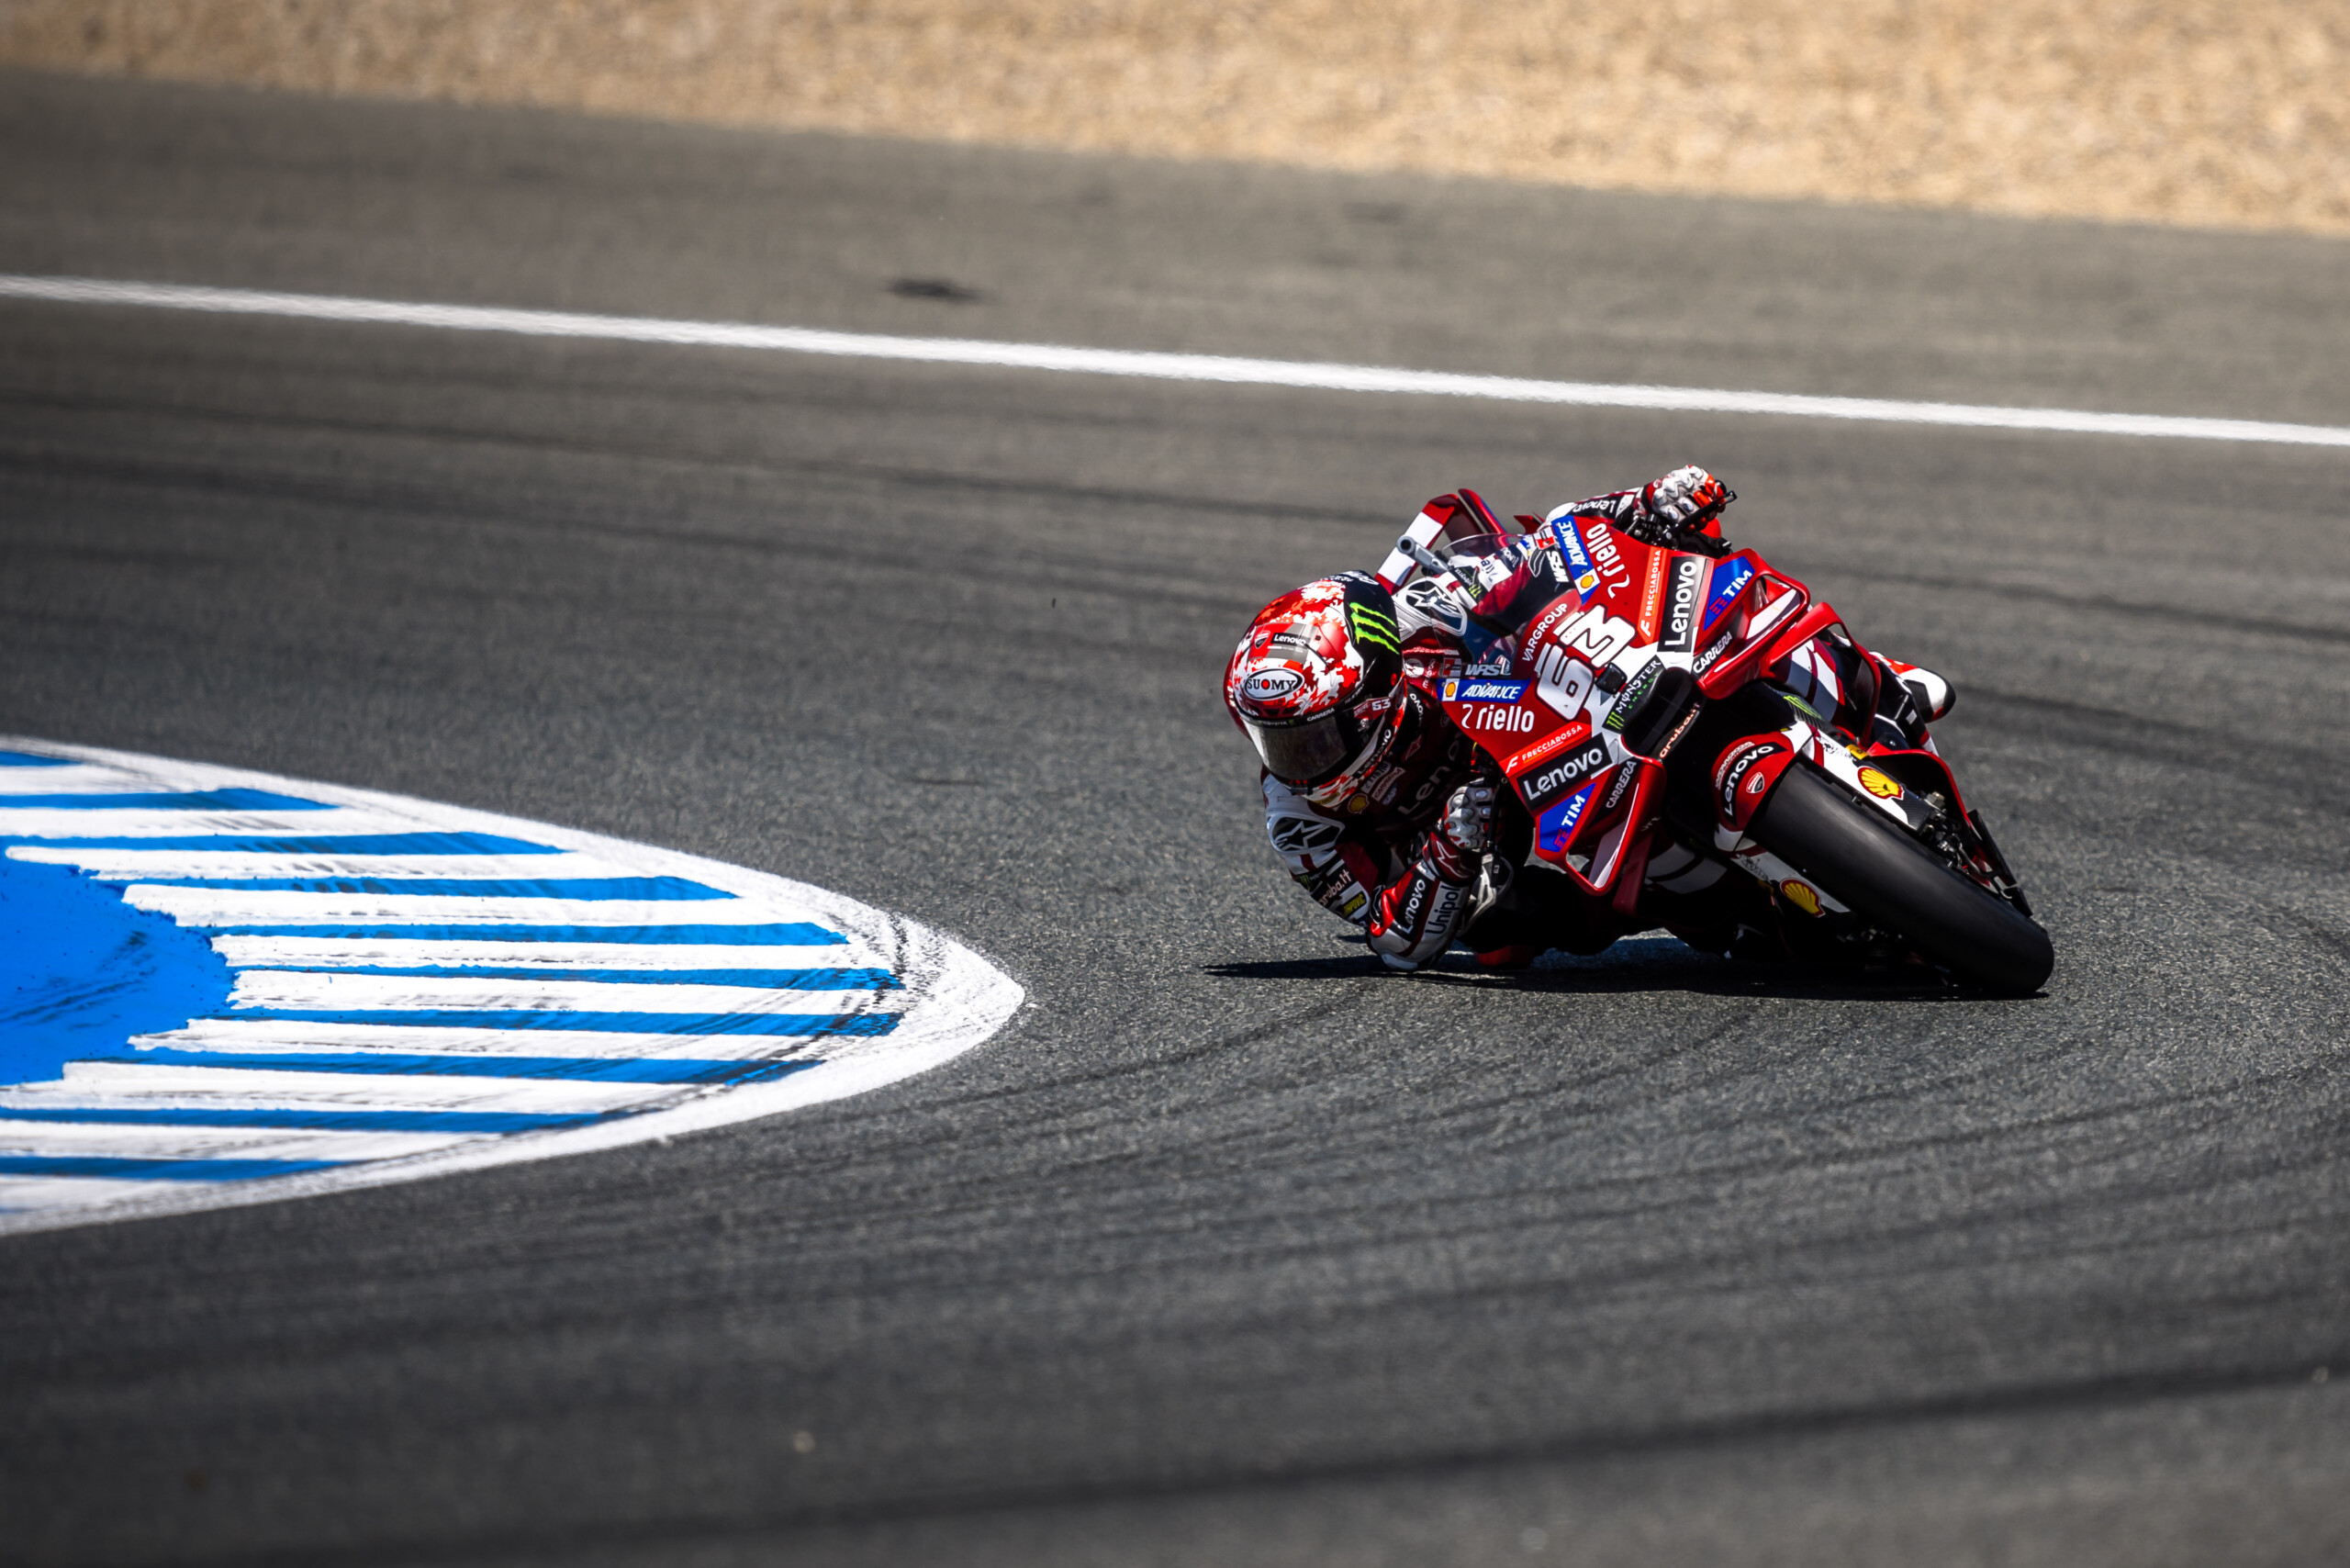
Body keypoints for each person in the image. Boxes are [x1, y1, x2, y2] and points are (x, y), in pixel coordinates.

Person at [1222, 467, 1953, 971]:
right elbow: (1394, 940)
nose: (1299, 764)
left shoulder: (1415, 618)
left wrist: (1643, 505)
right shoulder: (1300, 827)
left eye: (1313, 736)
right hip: (1500, 846)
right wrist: (1449, 853)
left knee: (1693, 585)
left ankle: (1870, 678)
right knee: (1507, 933)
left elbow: (1546, 546)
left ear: (1377, 691)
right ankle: (1746, 908)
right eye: (1278, 743)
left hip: (1546, 715)